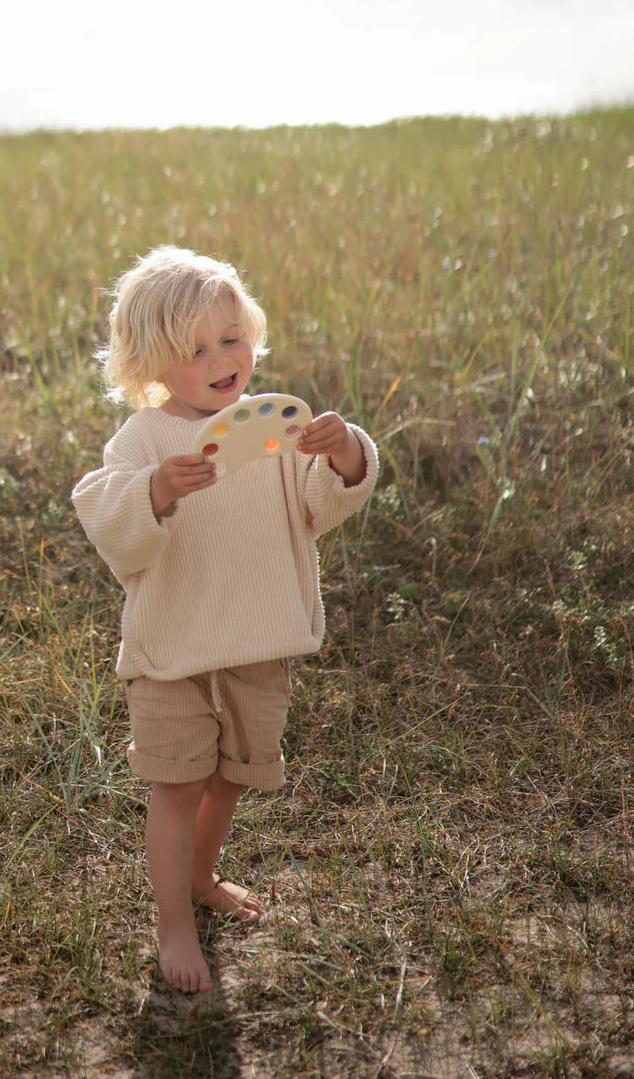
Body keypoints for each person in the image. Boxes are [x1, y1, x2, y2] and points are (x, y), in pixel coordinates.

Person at [71, 246, 378, 993]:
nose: (221, 359)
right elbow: (102, 511)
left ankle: (203, 877)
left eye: (232, 338)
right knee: (178, 783)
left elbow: (317, 505)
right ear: (149, 362)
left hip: (257, 635)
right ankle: (172, 922)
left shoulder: (270, 424)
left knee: (231, 776)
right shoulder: (145, 439)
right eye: (196, 349)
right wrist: (155, 492)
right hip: (175, 647)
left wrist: (342, 455)